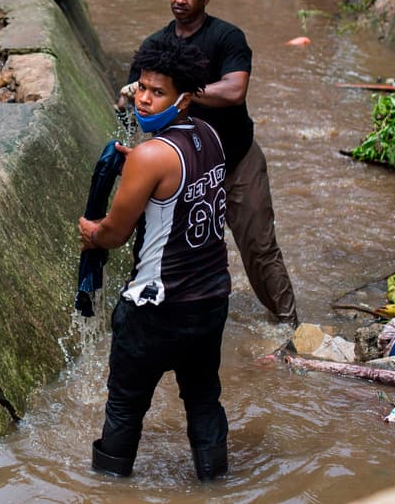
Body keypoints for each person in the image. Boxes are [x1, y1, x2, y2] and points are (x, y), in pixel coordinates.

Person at [80, 35, 231, 481]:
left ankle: (106, 487)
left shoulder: (149, 156)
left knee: (125, 405)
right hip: (210, 301)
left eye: (158, 92)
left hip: (155, 309)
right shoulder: (211, 137)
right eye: (141, 87)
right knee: (204, 398)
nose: (144, 99)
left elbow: (114, 233)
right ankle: (215, 483)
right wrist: (139, 168)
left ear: (184, 99)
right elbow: (177, 189)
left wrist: (92, 232)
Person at [121, 0, 297, 326]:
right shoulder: (156, 45)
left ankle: (288, 325)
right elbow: (138, 99)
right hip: (182, 171)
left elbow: (234, 90)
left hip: (235, 161)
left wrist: (186, 91)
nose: (180, 0)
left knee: (259, 248)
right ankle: (170, 324)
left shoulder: (227, 38)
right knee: (173, 251)